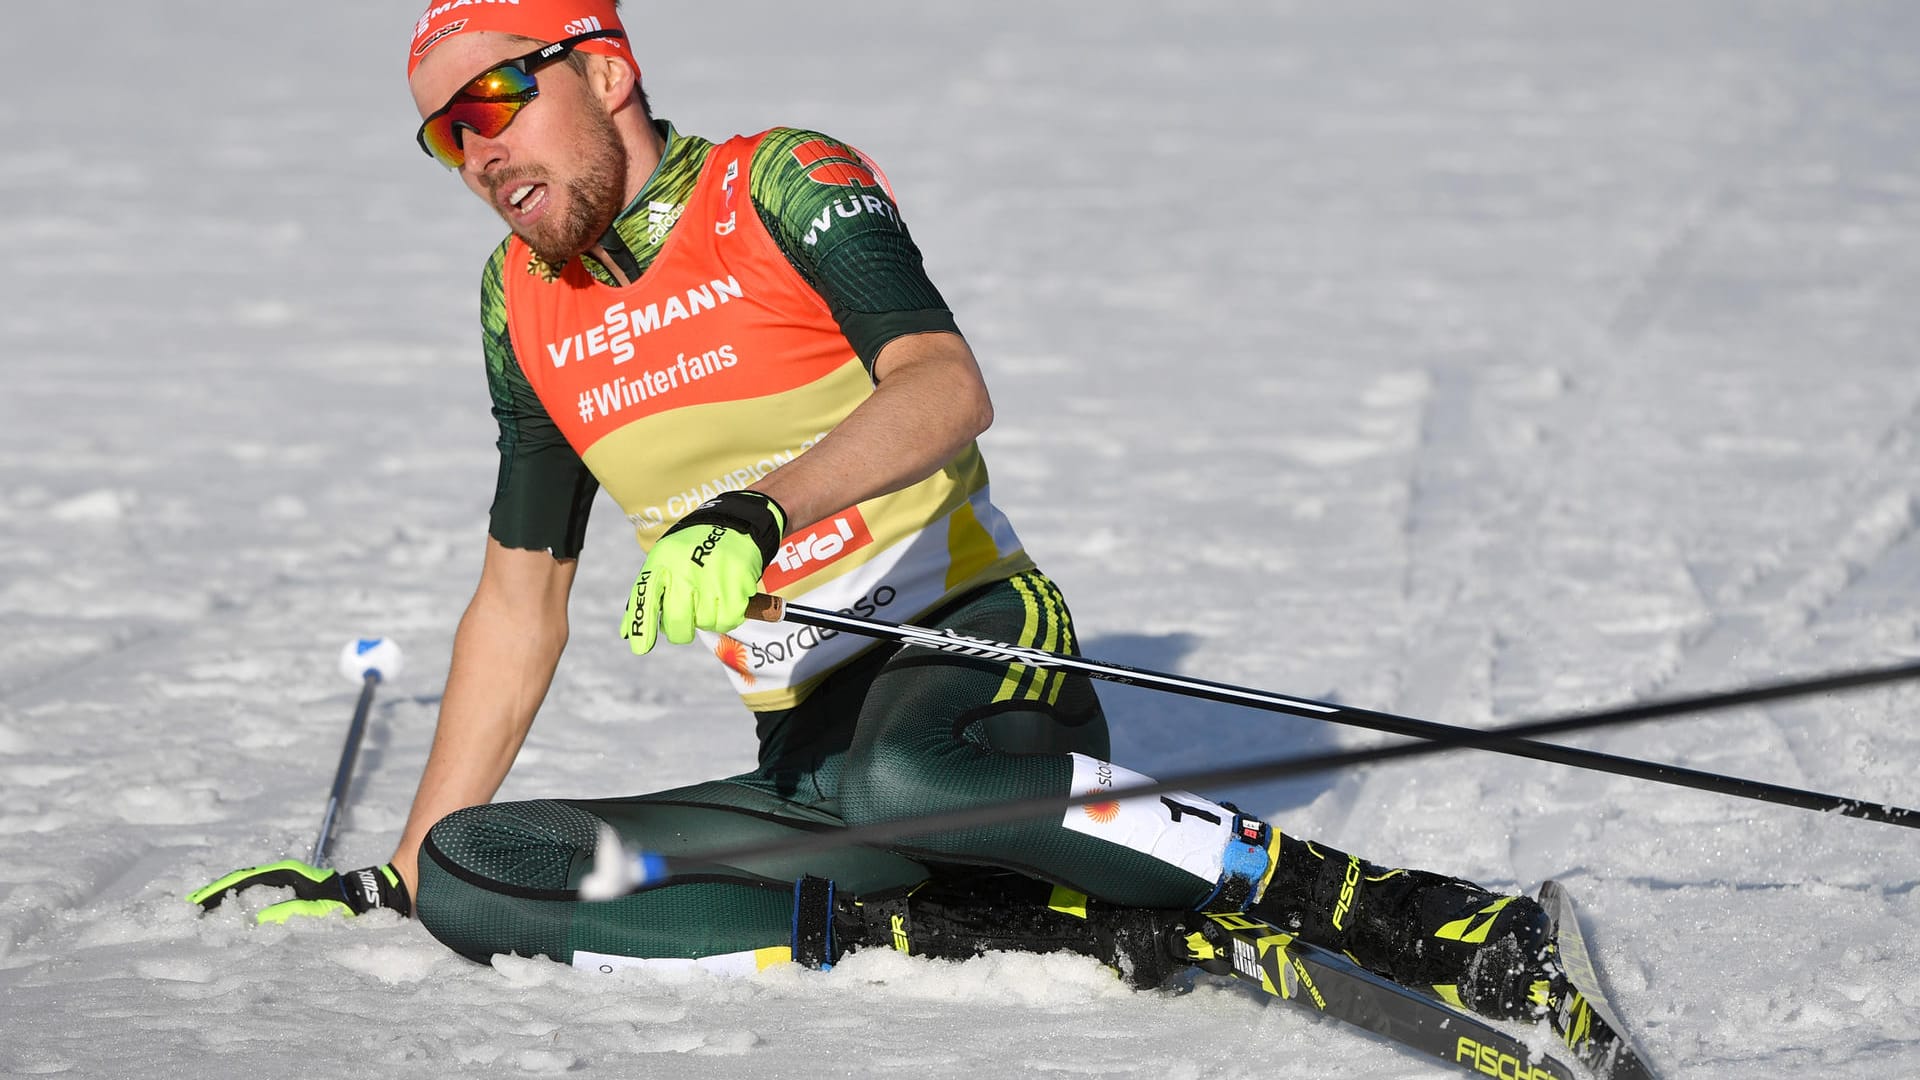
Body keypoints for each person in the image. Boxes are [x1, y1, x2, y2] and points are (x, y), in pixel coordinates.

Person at [192, 0, 1557, 1020]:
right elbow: (517, 596)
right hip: (812, 759)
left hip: (971, 660)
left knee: (909, 776)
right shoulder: (521, 304)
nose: (478, 148)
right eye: (446, 133)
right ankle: (995, 929)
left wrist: (755, 517)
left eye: (496, 95)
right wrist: (398, 863)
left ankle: (1392, 915)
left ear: (602, 68)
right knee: (477, 875)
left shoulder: (779, 184)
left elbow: (944, 386)